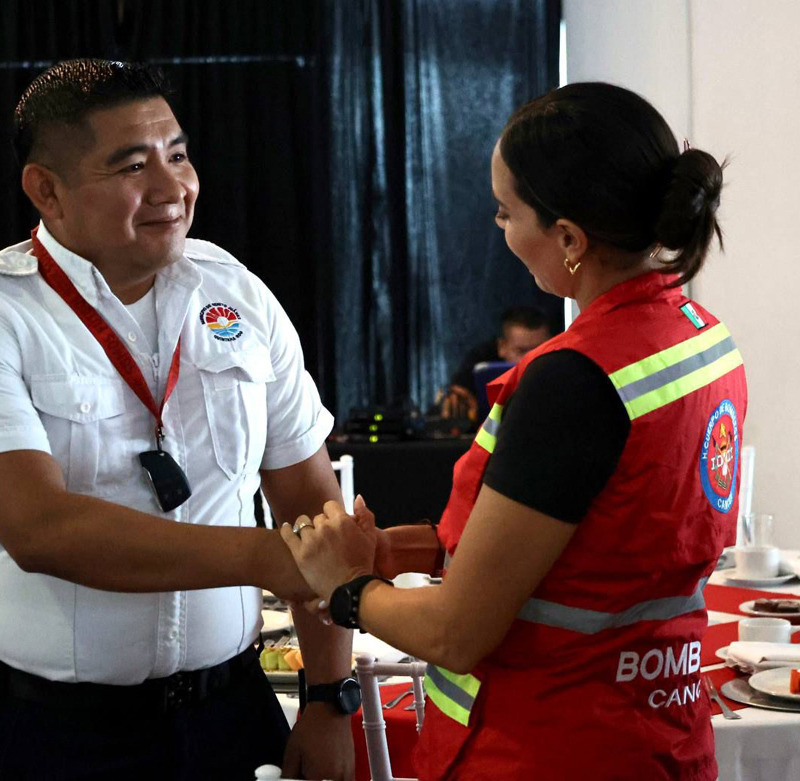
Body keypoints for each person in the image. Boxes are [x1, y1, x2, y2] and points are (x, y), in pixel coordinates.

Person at [283, 82, 746, 781]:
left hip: (546, 742)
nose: (498, 227)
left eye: (505, 210)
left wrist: (345, 587)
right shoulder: (698, 340)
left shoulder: (576, 380)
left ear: (567, 238)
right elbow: (596, 549)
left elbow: (455, 634)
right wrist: (401, 550)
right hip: (657, 728)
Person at [0, 60, 355, 781]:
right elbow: (42, 528)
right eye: (132, 165)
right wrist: (271, 557)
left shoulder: (236, 294)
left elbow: (309, 504)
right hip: (66, 732)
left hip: (234, 710)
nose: (172, 188)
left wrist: (331, 697)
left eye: (178, 154)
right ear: (46, 190)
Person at [437, 305, 551, 422]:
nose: (530, 359)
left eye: (540, 350)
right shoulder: (475, 371)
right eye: (521, 351)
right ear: (502, 347)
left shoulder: (560, 366)